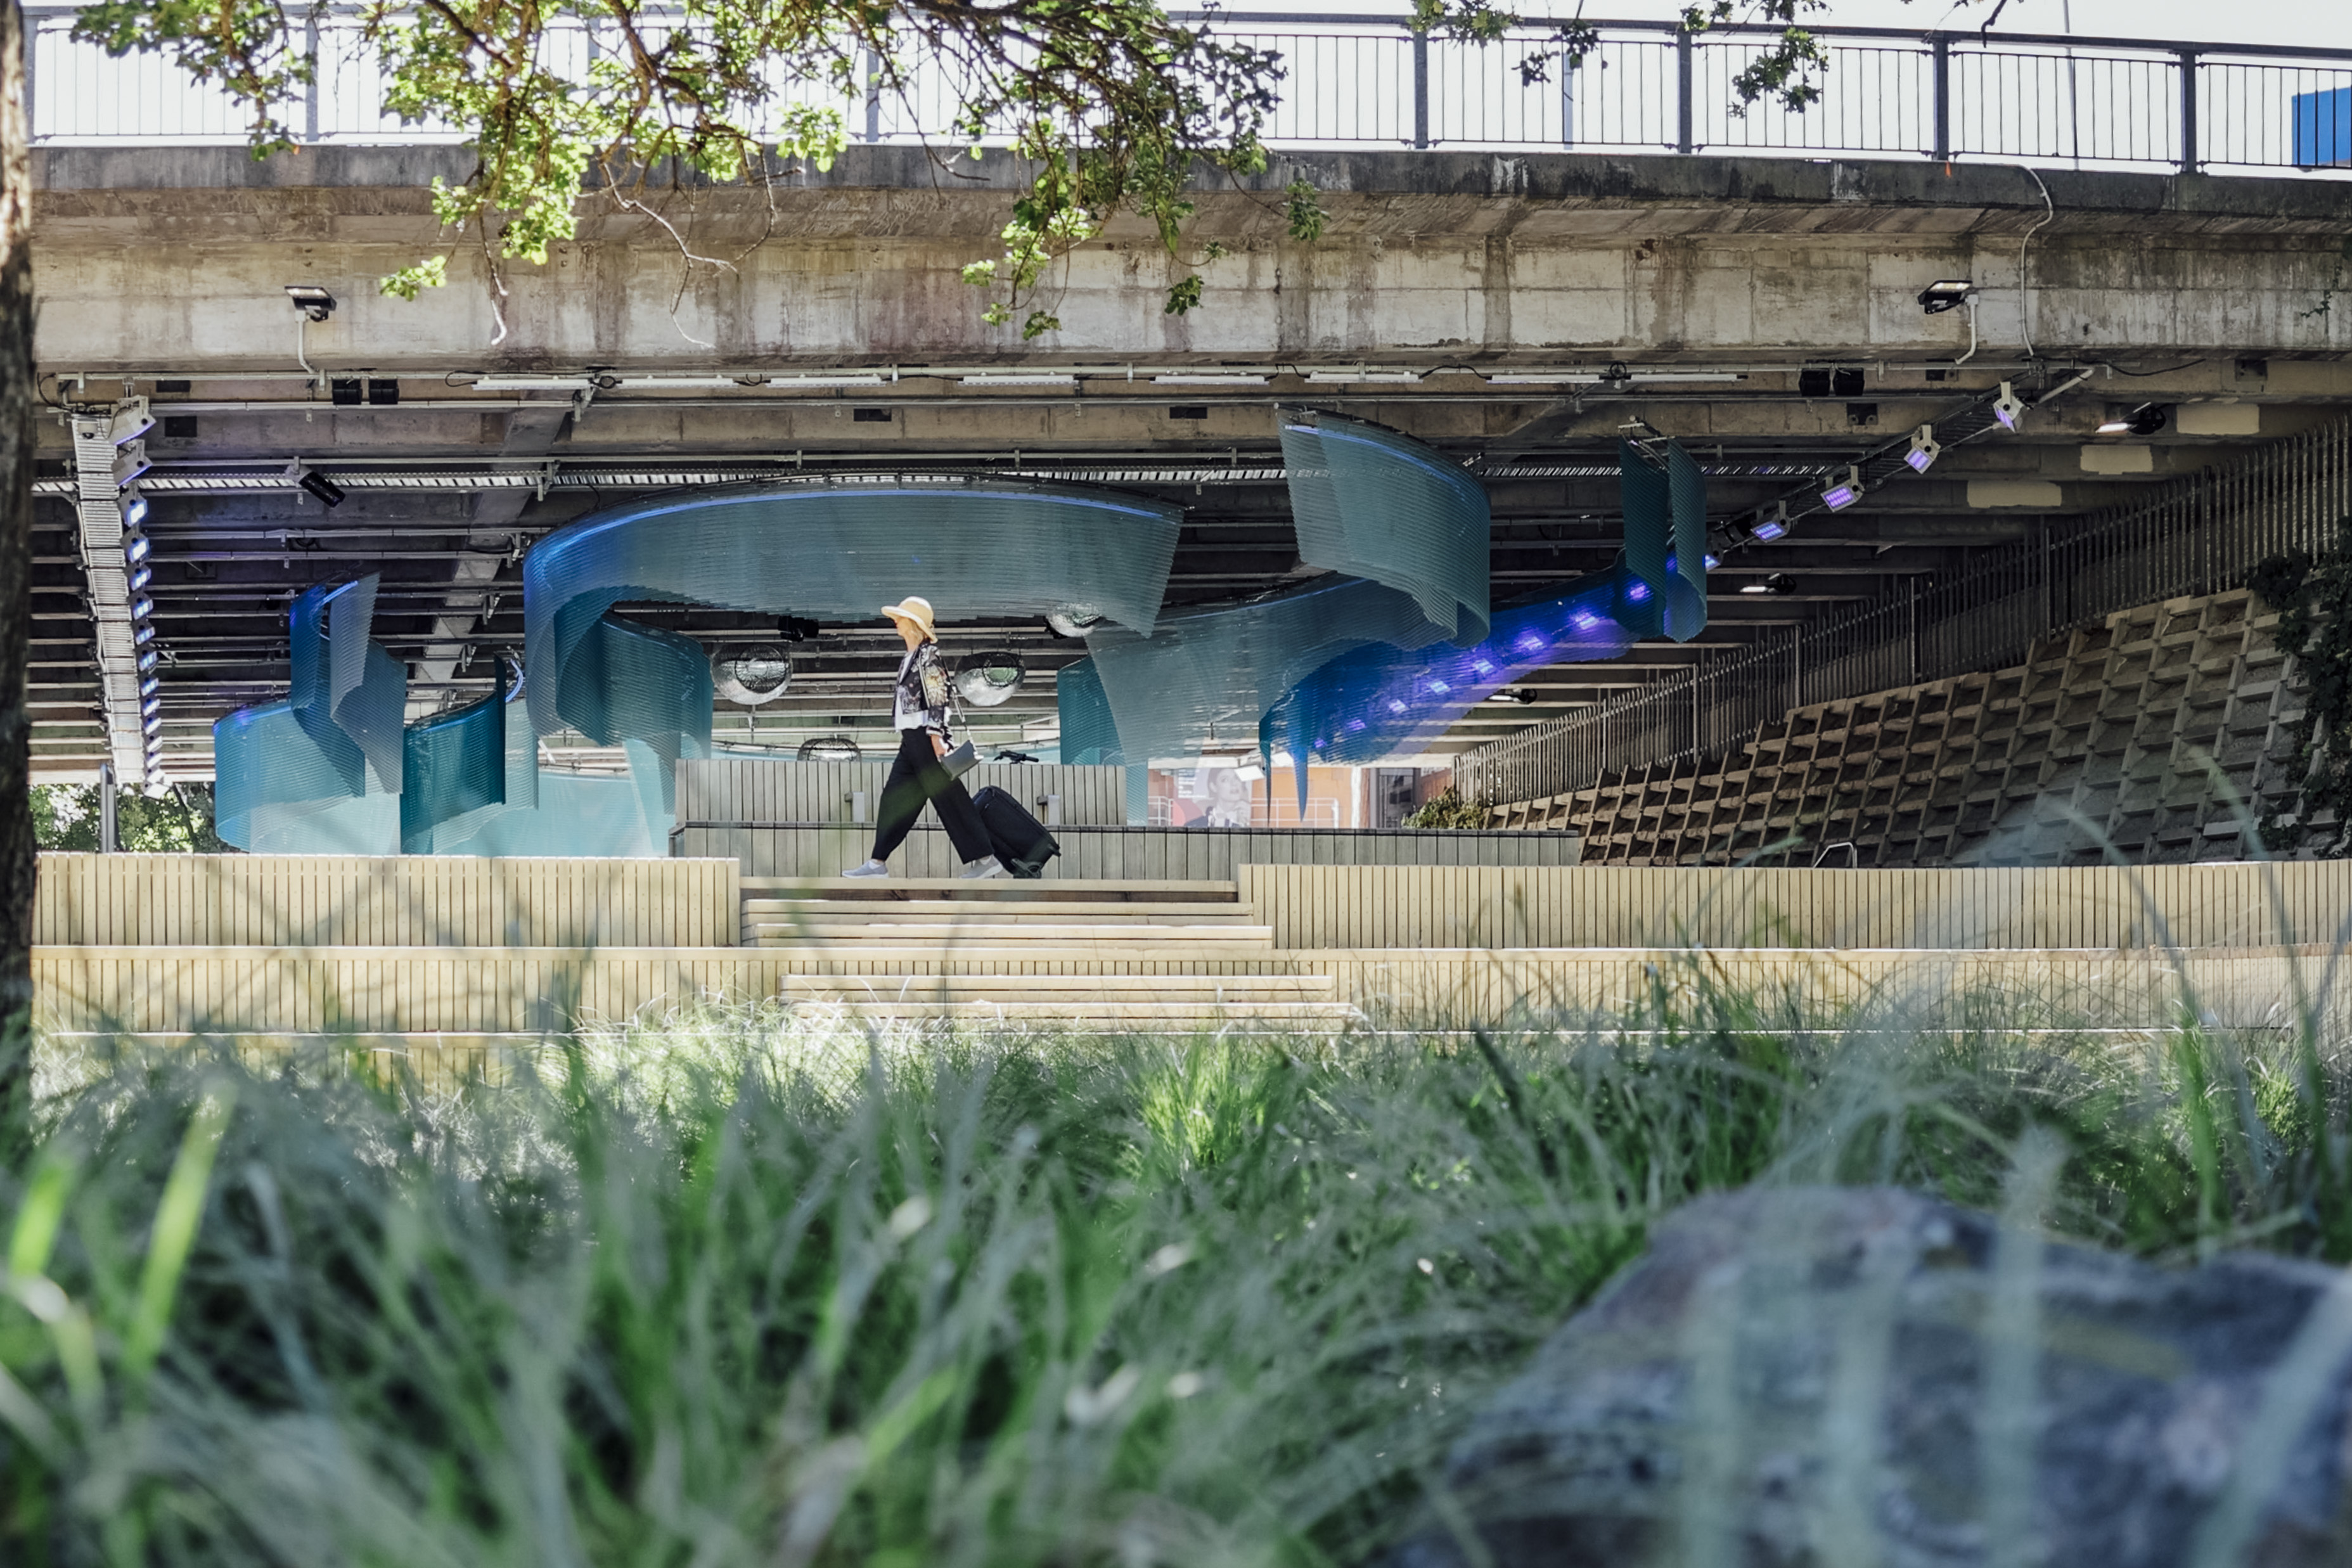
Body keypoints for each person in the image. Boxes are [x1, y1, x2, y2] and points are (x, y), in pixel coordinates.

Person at [842, 596, 1008, 880]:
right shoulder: (912, 656)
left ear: (914, 624)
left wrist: (936, 735)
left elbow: (938, 696)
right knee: (896, 800)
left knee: (949, 798)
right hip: (911, 740)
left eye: (901, 616)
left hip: (924, 737)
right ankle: (877, 863)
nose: (896, 620)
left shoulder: (928, 655)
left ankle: (986, 858)